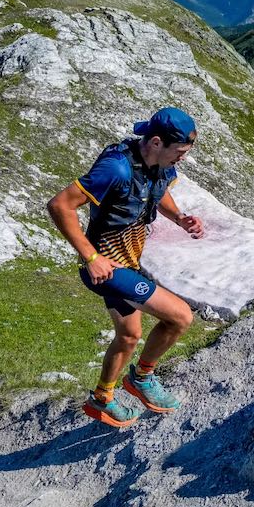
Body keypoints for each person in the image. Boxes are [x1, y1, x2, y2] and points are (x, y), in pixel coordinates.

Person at [47, 107, 205, 428]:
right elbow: (60, 204)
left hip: (127, 264)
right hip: (107, 268)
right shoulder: (117, 169)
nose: (182, 159)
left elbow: (155, 194)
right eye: (180, 152)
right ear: (157, 142)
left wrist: (179, 219)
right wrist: (92, 258)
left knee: (130, 335)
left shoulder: (158, 165)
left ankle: (101, 399)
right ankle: (142, 378)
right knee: (180, 317)